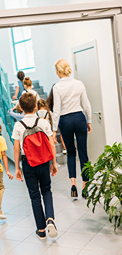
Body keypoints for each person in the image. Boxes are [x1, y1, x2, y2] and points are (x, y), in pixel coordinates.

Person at [12, 93, 58, 239]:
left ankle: (41, 230)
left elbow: (16, 148)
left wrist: (17, 168)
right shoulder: (43, 123)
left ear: (21, 108)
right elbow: (51, 143)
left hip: (28, 164)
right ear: (36, 106)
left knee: (34, 196)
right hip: (44, 162)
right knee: (47, 190)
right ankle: (50, 218)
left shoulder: (18, 125)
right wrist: (54, 163)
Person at [53, 59, 92, 198]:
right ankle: (85, 185)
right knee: (83, 153)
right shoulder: (79, 84)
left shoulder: (57, 87)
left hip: (66, 121)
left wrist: (53, 130)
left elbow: (56, 110)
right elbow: (86, 105)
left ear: (58, 71)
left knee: (70, 152)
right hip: (80, 118)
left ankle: (73, 184)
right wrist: (89, 120)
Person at [47, 85, 67, 154]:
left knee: (61, 132)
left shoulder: (50, 100)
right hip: (61, 116)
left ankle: (64, 148)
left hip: (55, 118)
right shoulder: (60, 97)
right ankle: (64, 147)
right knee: (62, 132)